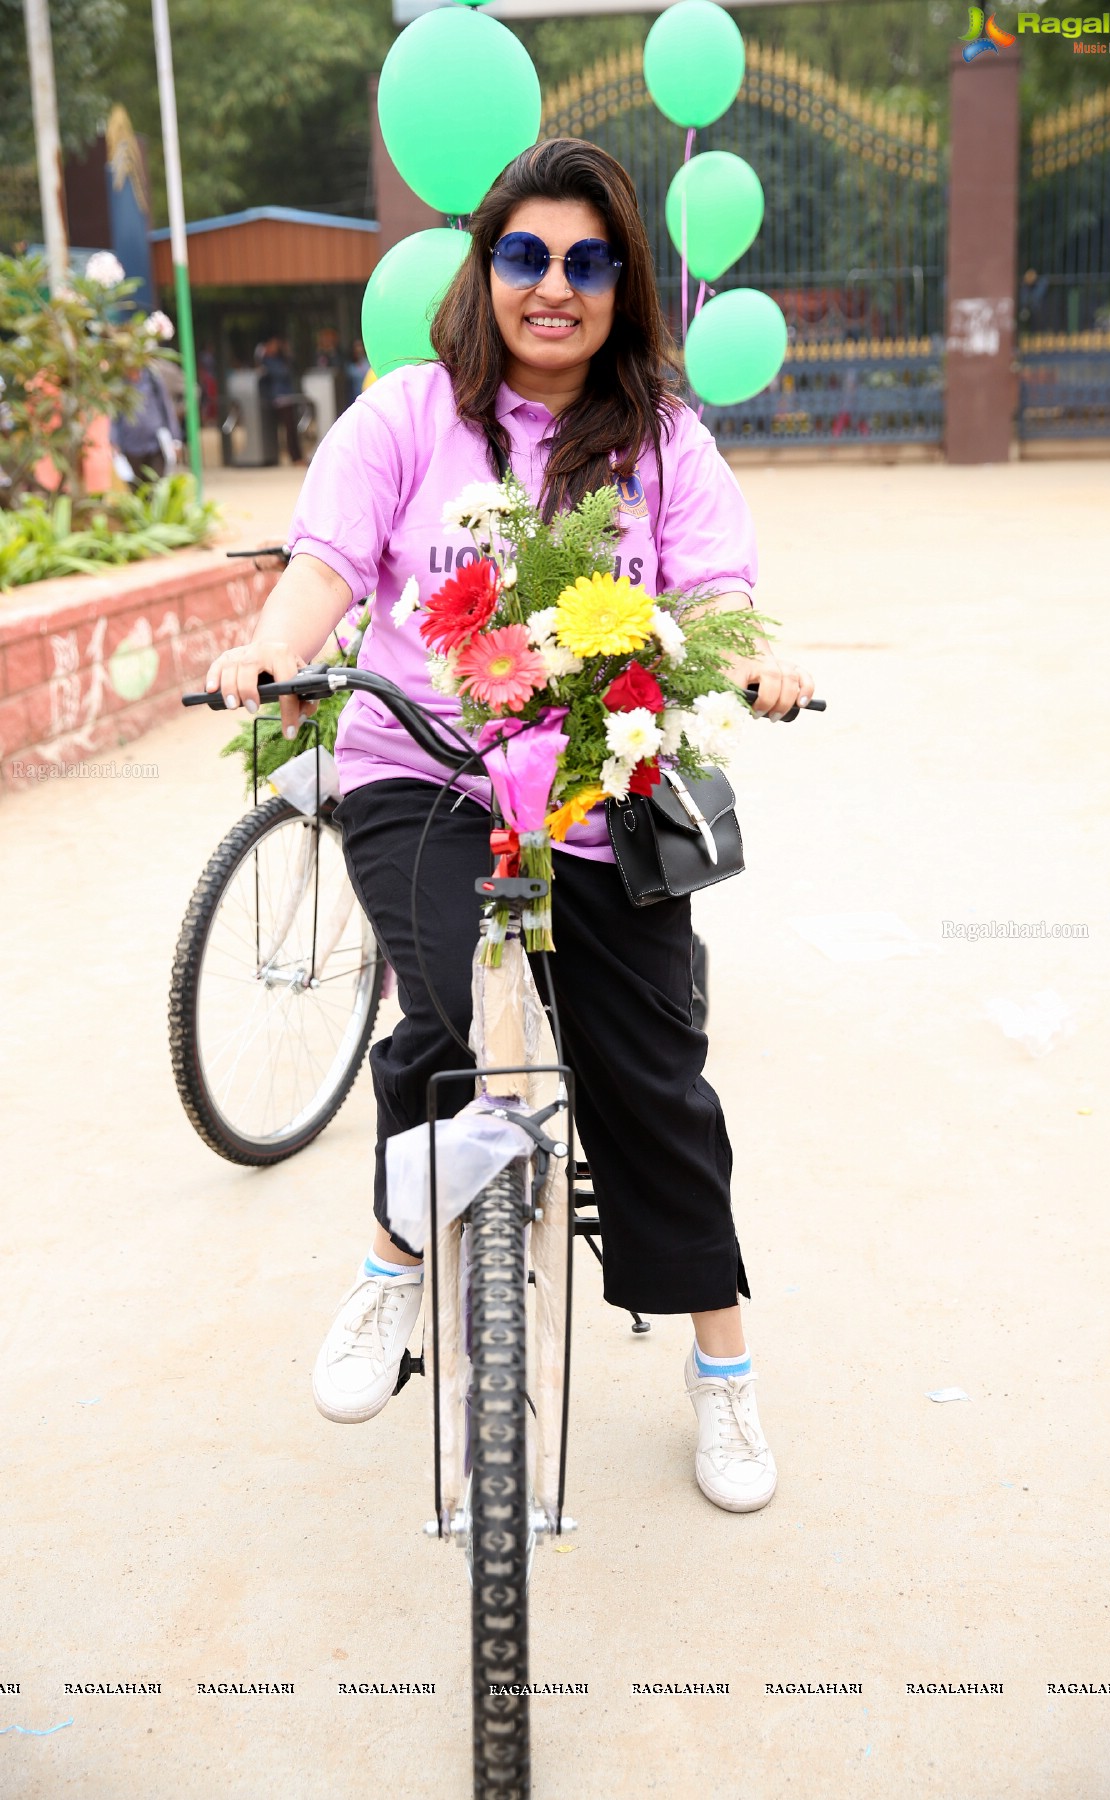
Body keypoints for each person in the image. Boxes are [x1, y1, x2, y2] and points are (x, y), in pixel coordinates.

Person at [204, 139, 813, 1515]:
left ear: (622, 284)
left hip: (602, 790)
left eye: (587, 262)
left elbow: (712, 587)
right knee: (438, 1017)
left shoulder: (663, 438)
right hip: (421, 772)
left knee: (656, 1086)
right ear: (486, 273)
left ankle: (722, 1375)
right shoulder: (411, 416)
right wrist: (270, 649)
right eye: (527, 258)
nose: (555, 288)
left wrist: (754, 665)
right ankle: (390, 1268)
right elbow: (327, 562)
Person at [255, 335, 304, 464]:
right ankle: (295, 456)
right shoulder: (268, 361)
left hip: (287, 396)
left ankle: (295, 456)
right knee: (289, 428)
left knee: (291, 428)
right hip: (280, 397)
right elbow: (282, 373)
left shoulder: (281, 359)